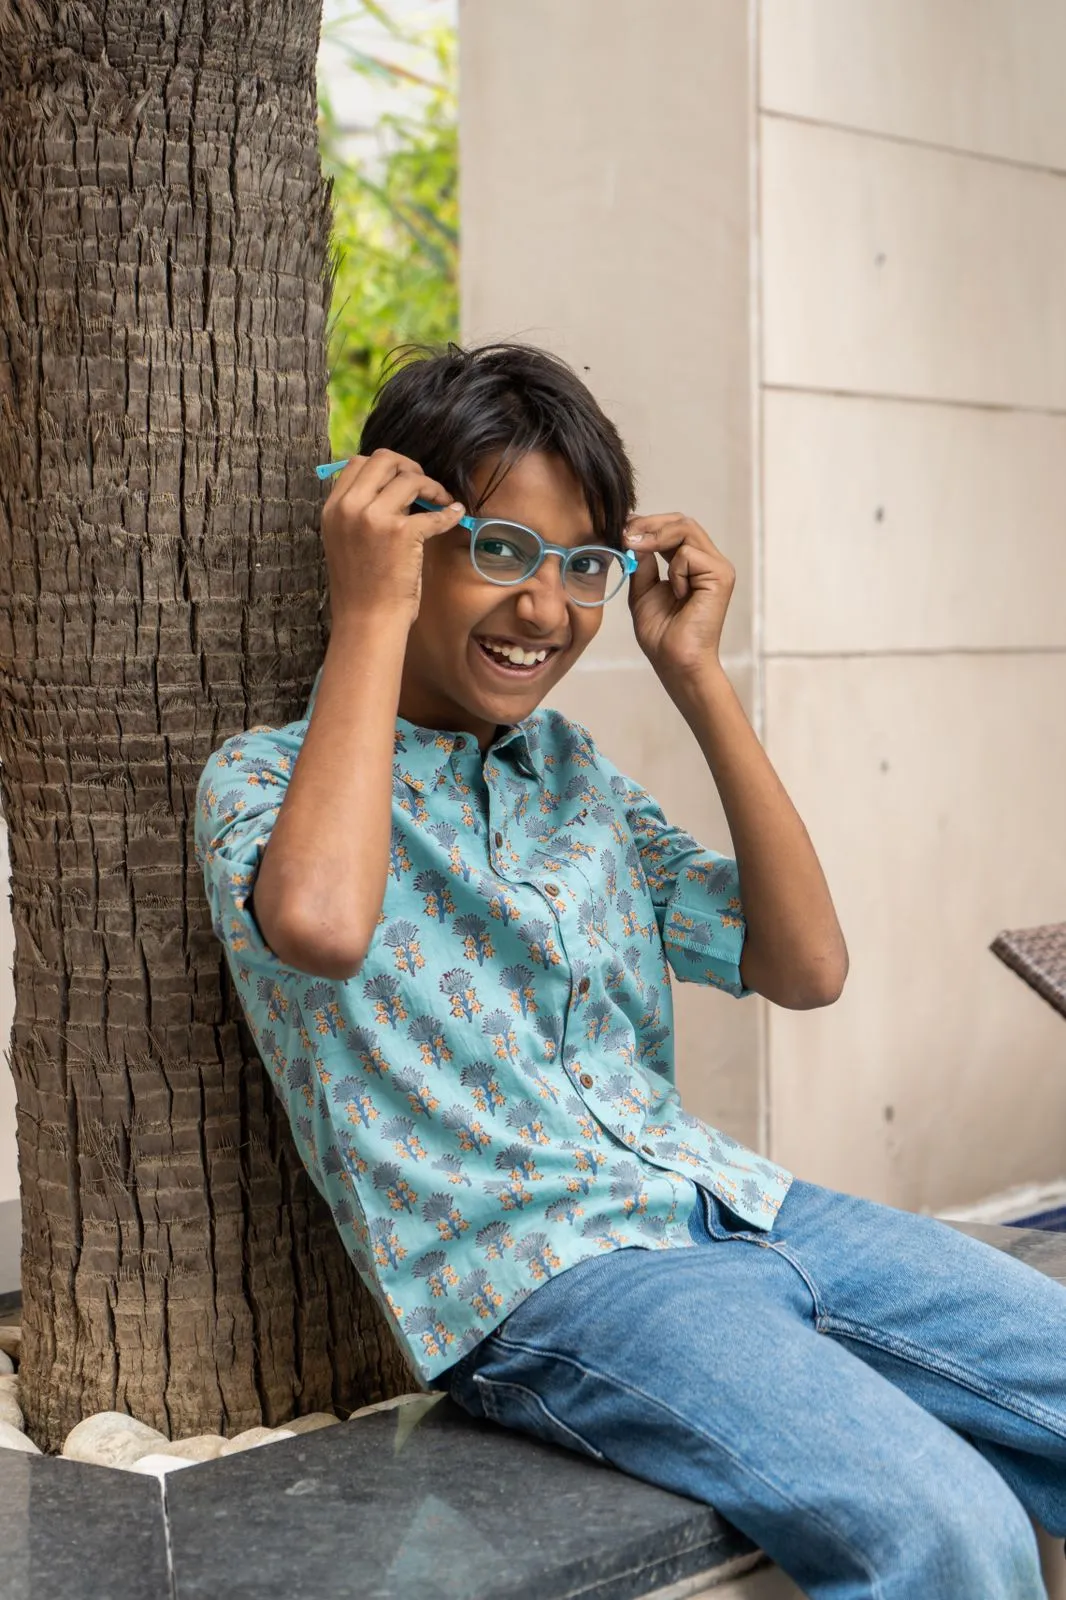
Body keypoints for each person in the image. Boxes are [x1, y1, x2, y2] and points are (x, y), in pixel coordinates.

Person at [196, 342, 1066, 1599]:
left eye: (580, 567)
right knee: (945, 1524)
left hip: (741, 1205)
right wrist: (370, 612)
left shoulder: (574, 776)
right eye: (497, 549)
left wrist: (697, 674)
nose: (545, 610)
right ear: (396, 533)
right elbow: (323, 927)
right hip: (557, 1285)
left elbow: (804, 963)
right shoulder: (270, 780)